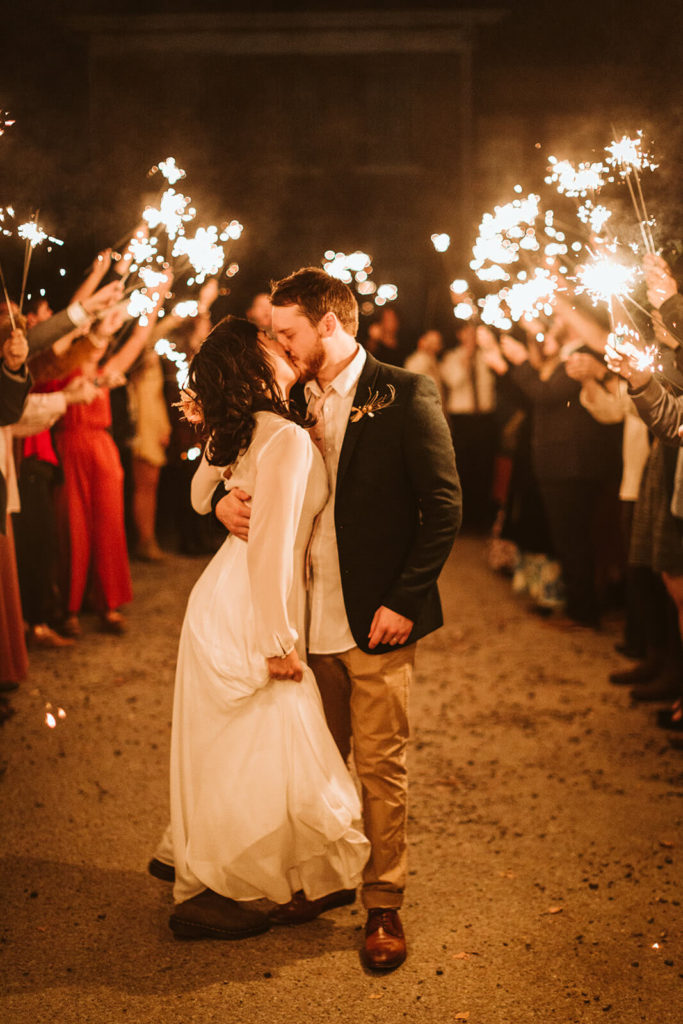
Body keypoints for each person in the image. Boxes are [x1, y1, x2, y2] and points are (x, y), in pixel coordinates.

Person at [216, 267, 461, 970]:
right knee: (311, 765)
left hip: (373, 619)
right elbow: (224, 466)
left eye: (289, 333)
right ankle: (322, 881)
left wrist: (405, 602)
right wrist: (217, 504)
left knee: (380, 768)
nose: (280, 347)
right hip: (298, 619)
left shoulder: (404, 391)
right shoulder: (282, 400)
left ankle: (382, 904)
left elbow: (443, 506)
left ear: (330, 324)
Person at [161, 316, 370, 941]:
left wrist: (223, 491)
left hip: (222, 598)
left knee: (239, 748)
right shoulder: (280, 437)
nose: (282, 350)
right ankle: (219, 888)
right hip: (253, 604)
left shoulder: (242, 429)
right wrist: (278, 641)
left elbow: (200, 494)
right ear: (252, 368)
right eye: (269, 346)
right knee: (256, 747)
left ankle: (220, 875)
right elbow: (272, 545)